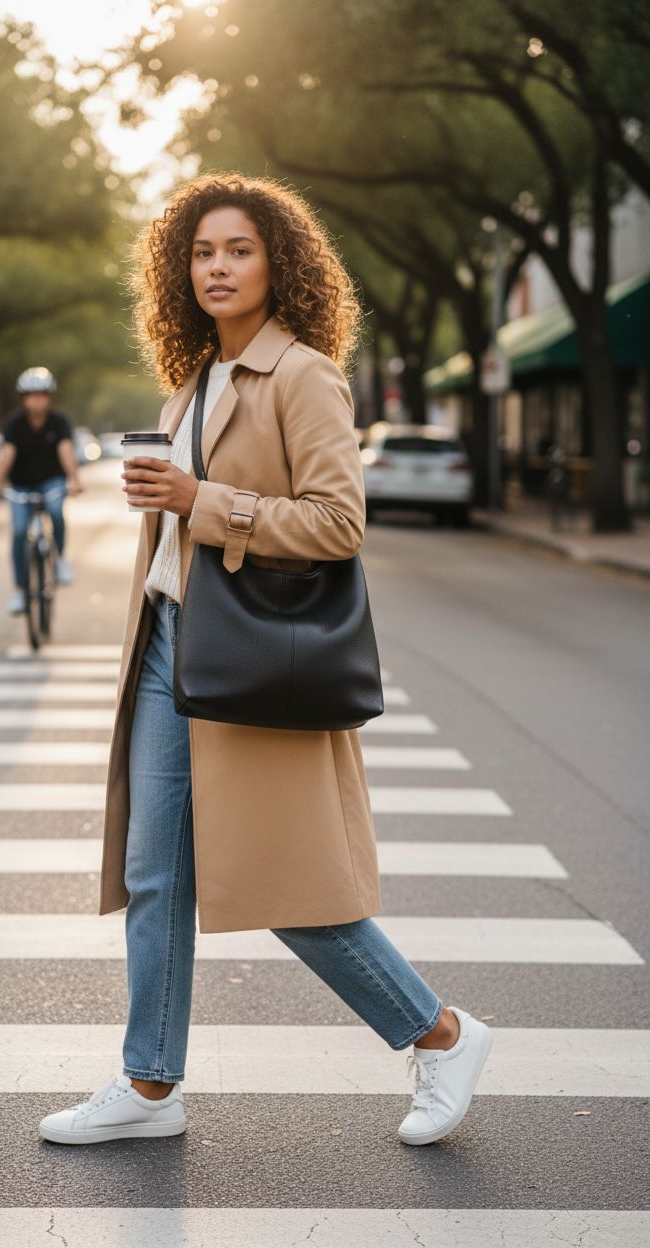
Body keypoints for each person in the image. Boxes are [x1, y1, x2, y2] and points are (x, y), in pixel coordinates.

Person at [38, 174, 492, 1149]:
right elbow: (191, 516)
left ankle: (441, 1034)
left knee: (285, 885)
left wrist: (205, 501)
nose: (217, 267)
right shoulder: (193, 379)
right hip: (171, 642)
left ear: (277, 263)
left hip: (252, 659)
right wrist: (172, 501)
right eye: (202, 253)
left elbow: (338, 524)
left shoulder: (305, 376)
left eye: (238, 250)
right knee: (155, 874)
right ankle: (149, 1086)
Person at [0, 366, 82, 614]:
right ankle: (19, 590)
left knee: (55, 511)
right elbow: (6, 455)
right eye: (30, 395)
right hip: (21, 485)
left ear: (49, 396)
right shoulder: (14, 424)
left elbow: (65, 450)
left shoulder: (59, 422)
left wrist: (73, 478)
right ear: (23, 398)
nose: (36, 399)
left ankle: (59, 560)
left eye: (41, 394)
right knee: (18, 532)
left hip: (52, 482)